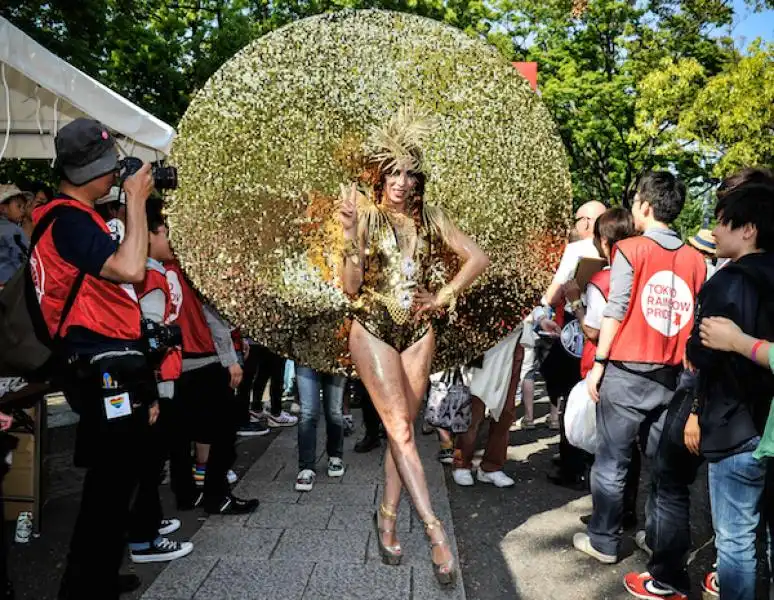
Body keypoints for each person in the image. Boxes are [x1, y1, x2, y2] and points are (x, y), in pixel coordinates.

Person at [338, 108, 490, 586]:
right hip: (373, 324)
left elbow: (478, 257)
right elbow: (350, 285)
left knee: (398, 429)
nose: (401, 182)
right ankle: (434, 531)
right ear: (380, 177)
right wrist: (347, 236)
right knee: (401, 428)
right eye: (393, 173)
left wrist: (443, 296)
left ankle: (386, 516)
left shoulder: (431, 218)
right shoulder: (365, 217)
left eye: (408, 172)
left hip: (419, 330)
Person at [29, 118, 153, 599]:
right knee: (109, 487)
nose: (114, 176)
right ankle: (84, 587)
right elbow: (131, 267)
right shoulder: (70, 221)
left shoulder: (63, 217)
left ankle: (95, 573)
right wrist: (138, 201)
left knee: (113, 482)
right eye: (108, 170)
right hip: (98, 364)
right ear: (84, 174)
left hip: (102, 362)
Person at [574, 172, 705, 598]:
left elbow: (617, 308)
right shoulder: (696, 260)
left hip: (627, 370)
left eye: (634, 202)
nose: (633, 208)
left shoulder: (630, 249)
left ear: (646, 207)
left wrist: (600, 363)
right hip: (673, 376)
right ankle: (656, 539)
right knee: (664, 471)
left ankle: (604, 540)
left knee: (612, 461)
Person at [683, 182, 774, 600]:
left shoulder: (726, 282)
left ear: (748, 228)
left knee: (735, 540)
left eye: (722, 222)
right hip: (768, 424)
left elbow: (699, 354)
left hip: (735, 426)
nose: (715, 231)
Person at [564, 207, 641, 530]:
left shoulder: (602, 280)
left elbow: (593, 330)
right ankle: (628, 511)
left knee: (607, 450)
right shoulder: (643, 273)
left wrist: (575, 303)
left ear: (604, 241)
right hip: (638, 365)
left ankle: (605, 519)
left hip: (604, 366)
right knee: (632, 450)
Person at [164, 257, 260, 516]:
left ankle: (185, 494)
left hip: (172, 361)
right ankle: (216, 496)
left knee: (180, 435)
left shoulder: (155, 267)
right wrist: (230, 359)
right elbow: (213, 316)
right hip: (204, 358)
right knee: (224, 433)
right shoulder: (193, 266)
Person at [127, 204, 193, 563]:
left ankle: (148, 522)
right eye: (166, 232)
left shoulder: (148, 273)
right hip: (154, 383)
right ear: (149, 234)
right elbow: (150, 342)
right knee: (149, 462)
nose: (171, 240)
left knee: (150, 461)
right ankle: (144, 538)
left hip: (154, 382)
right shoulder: (150, 278)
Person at [540, 201, 607, 488]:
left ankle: (572, 464)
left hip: (575, 329)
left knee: (572, 395)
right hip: (607, 330)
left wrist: (542, 310)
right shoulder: (620, 250)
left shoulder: (577, 250)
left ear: (585, 222)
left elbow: (555, 291)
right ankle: (591, 463)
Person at [452, 334, 524, 488]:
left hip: (512, 343)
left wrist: (540, 318)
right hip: (485, 339)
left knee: (505, 413)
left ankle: (491, 466)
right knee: (473, 410)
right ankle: (461, 463)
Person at [294, 365, 346, 491]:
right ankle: (306, 467)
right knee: (308, 412)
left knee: (334, 411)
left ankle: (335, 456)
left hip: (336, 355)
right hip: (305, 354)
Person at [0, 185, 31, 286]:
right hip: (9, 286)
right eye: (18, 206)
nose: (22, 210)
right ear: (3, 208)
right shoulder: (15, 231)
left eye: (23, 207)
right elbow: (22, 260)